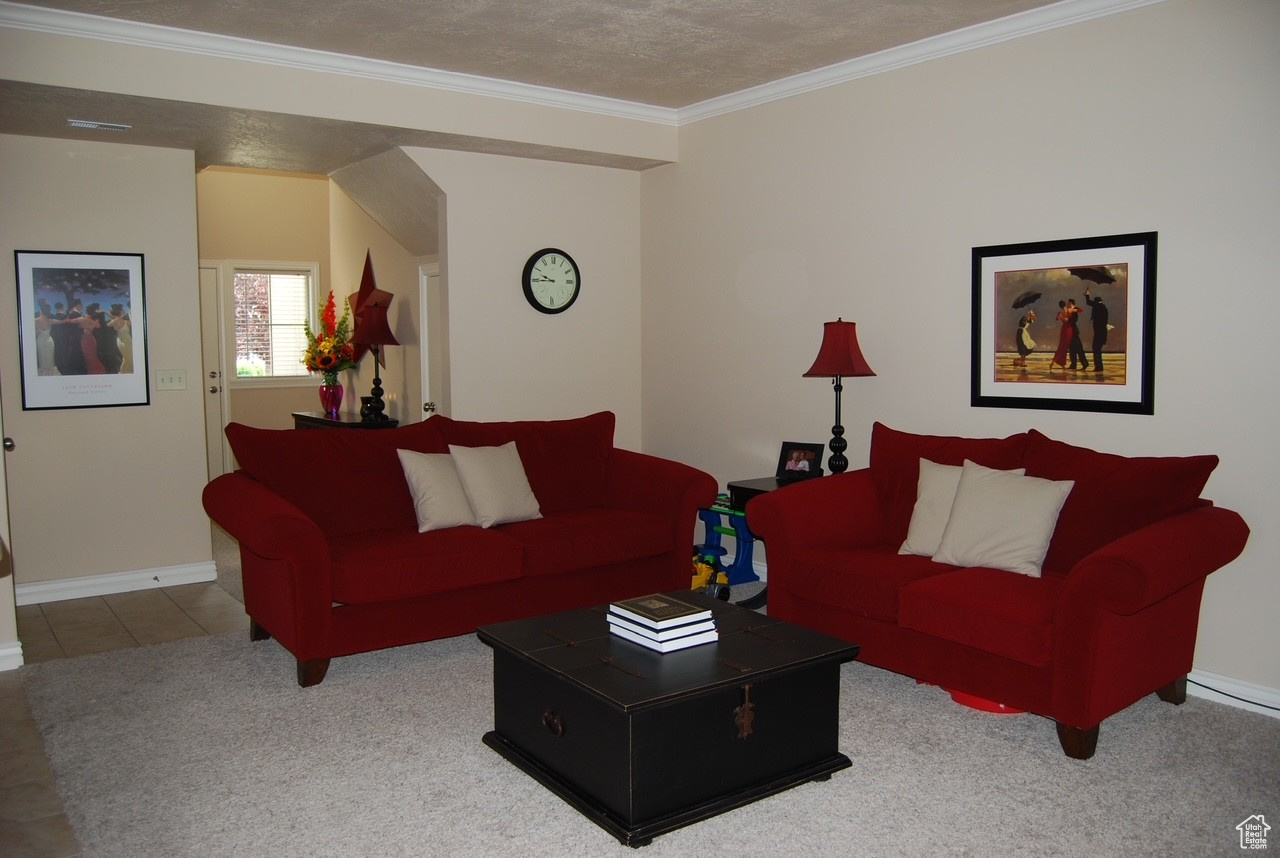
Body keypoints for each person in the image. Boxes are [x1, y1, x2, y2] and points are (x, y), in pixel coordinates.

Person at [1084, 288, 1109, 373]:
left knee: (1096, 348)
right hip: (1101, 333)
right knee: (1097, 349)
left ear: (1097, 302)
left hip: (1099, 333)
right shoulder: (1103, 308)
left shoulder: (1099, 307)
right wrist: (1087, 294)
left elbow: (1089, 303)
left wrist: (1087, 294)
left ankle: (1098, 367)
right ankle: (1099, 367)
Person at [1065, 299, 1088, 371]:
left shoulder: (1074, 310)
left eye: (1069, 303)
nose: (1067, 304)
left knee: (1079, 349)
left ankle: (1084, 363)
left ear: (1072, 303)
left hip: (1074, 332)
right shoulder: (1068, 310)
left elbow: (1076, 318)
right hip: (1070, 332)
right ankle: (1073, 364)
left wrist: (1068, 318)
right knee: (1072, 349)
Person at [1051, 300, 1073, 370]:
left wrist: (1060, 317)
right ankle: (1058, 362)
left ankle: (1056, 362)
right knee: (1063, 346)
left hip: (1065, 329)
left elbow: (1057, 319)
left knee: (1062, 346)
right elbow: (1067, 320)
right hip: (1067, 329)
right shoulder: (1067, 311)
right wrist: (1061, 317)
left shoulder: (1061, 312)